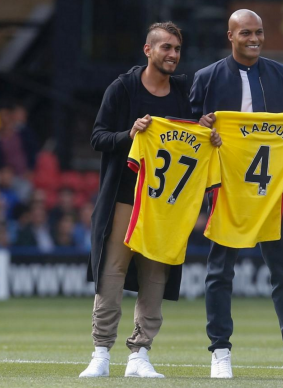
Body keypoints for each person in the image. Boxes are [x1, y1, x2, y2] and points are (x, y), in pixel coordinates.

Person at [190, 9, 283, 380]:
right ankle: (220, 351)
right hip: (228, 189)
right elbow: (190, 137)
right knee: (220, 271)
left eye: (259, 32)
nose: (254, 39)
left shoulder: (280, 75)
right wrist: (202, 127)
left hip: (272, 192)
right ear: (231, 36)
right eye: (246, 33)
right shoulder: (206, 78)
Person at [81, 22, 204, 379]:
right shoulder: (123, 88)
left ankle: (140, 353)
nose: (173, 55)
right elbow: (98, 137)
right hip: (125, 196)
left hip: (165, 204)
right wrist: (128, 134)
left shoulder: (184, 91)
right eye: (166, 47)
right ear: (147, 50)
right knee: (112, 271)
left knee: (155, 275)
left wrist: (206, 128)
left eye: (177, 49)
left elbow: (196, 131)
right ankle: (101, 352)